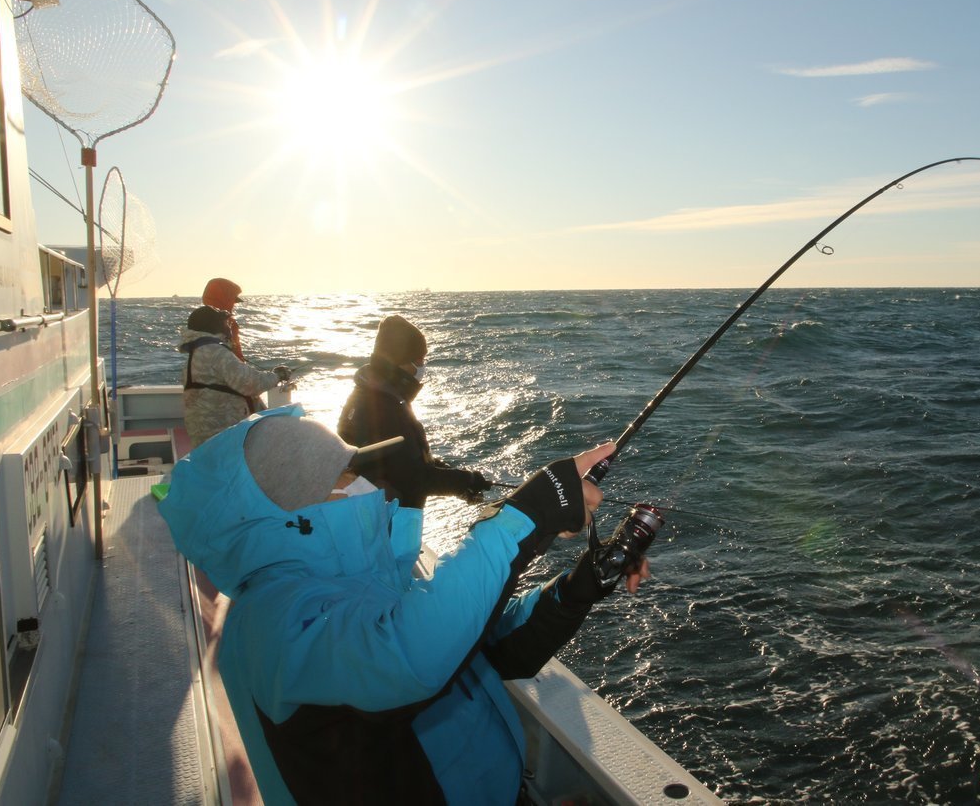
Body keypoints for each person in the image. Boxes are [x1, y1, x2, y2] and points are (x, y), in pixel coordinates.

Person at [157, 405, 649, 804]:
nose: (367, 486)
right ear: (298, 510)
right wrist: (526, 516)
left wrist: (576, 589)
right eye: (348, 474)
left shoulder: (364, 579)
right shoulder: (266, 623)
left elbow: (486, 652)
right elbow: (408, 661)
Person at [338, 315, 491, 507]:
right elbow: (413, 478)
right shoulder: (381, 407)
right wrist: (466, 481)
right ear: (398, 361)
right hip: (387, 520)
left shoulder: (377, 396)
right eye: (417, 360)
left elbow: (408, 459)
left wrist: (459, 480)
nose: (422, 366)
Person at [180, 305, 291, 448]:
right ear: (213, 326)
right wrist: (278, 376)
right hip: (222, 435)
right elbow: (249, 383)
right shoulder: (215, 351)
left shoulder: (197, 352)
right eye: (225, 323)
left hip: (206, 435)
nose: (228, 327)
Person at [202, 277, 245, 360]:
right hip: (226, 369)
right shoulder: (221, 322)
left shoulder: (200, 318)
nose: (234, 305)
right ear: (225, 299)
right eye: (233, 301)